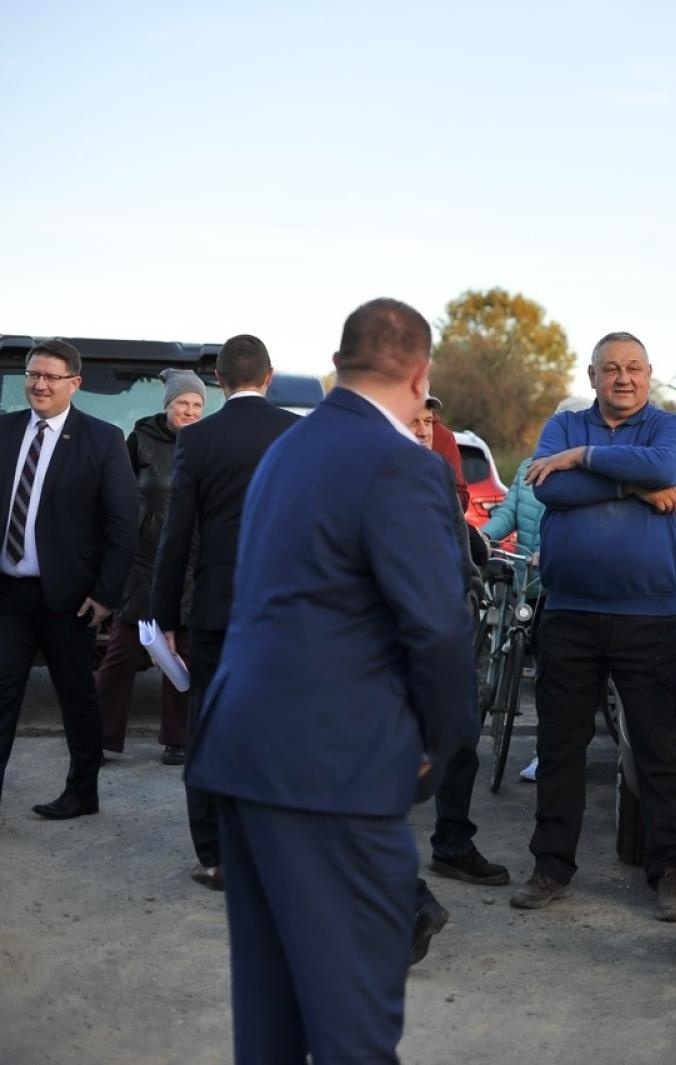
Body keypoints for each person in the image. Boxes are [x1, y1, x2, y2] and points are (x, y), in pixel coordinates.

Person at [185, 299, 473, 1064]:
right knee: (354, 1028)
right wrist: (437, 746)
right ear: (421, 375)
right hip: (333, 771)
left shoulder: (287, 446)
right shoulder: (401, 465)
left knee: (271, 1018)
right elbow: (438, 629)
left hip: (243, 755)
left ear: (339, 365)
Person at [513, 331, 676, 920]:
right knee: (560, 745)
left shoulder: (671, 429)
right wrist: (630, 484)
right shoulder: (562, 426)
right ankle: (551, 868)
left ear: (649, 374)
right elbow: (551, 485)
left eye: (634, 368)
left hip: (650, 617)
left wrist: (585, 459)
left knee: (659, 750)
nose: (623, 378)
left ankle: (669, 870)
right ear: (591, 376)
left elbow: (669, 466)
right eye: (611, 368)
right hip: (570, 612)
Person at [152, 335, 300, 890]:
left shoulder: (200, 439)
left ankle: (214, 856)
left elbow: (176, 534)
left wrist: (161, 616)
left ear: (217, 378)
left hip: (216, 611)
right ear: (269, 377)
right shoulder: (296, 433)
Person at [0, 338, 137, 818]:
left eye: (50, 377)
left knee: (77, 697)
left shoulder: (102, 440)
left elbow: (123, 524)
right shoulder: (5, 430)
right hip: (8, 594)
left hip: (69, 598)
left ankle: (82, 792)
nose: (38, 384)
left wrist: (105, 595)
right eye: (32, 374)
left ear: (74, 384)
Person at [403, 397, 510, 965]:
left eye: (430, 423)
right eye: (414, 421)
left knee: (461, 735)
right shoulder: (368, 474)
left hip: (446, 636)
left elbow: (463, 553)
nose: (425, 431)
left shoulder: (437, 475)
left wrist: (467, 600)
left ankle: (452, 843)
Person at [96, 368, 206, 766]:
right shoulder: (140, 440)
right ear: (167, 406)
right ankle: (99, 735)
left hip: (192, 563)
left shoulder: (206, 445)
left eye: (197, 405)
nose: (190, 411)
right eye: (182, 403)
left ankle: (177, 738)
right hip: (144, 563)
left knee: (183, 656)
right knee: (122, 654)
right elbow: (117, 499)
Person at [479, 444, 547, 783]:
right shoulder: (527, 468)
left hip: (555, 584)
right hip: (524, 579)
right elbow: (508, 513)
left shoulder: (580, 475)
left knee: (551, 672)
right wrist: (485, 535)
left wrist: (549, 550)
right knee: (510, 642)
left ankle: (543, 753)